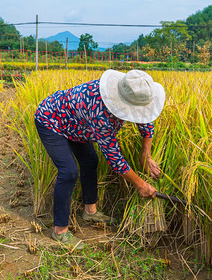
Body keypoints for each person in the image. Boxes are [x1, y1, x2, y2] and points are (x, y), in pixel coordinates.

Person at [34, 69, 165, 249]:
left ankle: (90, 211)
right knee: (69, 172)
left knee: (90, 162)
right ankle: (60, 231)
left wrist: (147, 156)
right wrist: (141, 185)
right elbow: (115, 159)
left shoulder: (132, 92)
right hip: (51, 120)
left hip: (78, 126)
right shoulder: (100, 113)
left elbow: (145, 121)